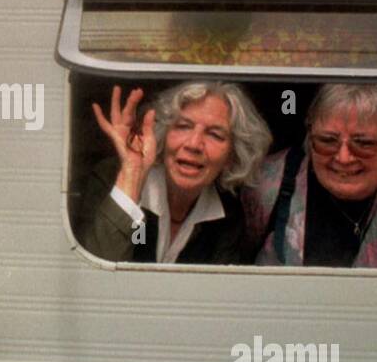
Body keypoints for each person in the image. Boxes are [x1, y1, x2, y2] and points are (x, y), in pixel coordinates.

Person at [242, 84, 377, 269]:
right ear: (310, 136)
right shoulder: (267, 180)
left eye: (364, 143)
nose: (344, 157)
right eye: (327, 140)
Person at [76, 81, 272, 264]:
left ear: (232, 156)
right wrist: (131, 176)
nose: (194, 144)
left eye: (214, 134)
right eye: (183, 126)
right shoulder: (110, 178)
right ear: (162, 134)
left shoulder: (228, 216)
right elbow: (96, 278)